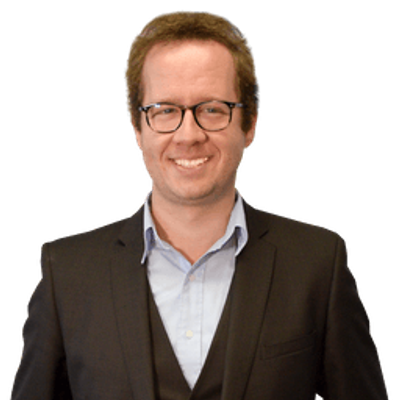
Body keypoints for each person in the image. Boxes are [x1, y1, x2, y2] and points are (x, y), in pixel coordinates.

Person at [11, 11, 388, 399]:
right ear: (138, 128)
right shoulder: (66, 273)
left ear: (250, 124)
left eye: (211, 109)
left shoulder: (318, 264)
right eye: (165, 110)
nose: (188, 135)